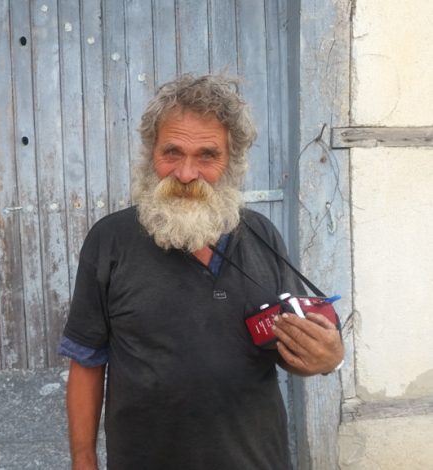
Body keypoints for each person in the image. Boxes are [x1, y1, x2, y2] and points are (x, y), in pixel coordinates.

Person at [59, 74, 344, 469]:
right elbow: (87, 360)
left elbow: (290, 347)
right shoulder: (110, 240)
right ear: (151, 153)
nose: (186, 173)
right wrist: (83, 460)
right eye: (172, 152)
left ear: (232, 161)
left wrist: (327, 358)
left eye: (207, 156)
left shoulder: (262, 235)